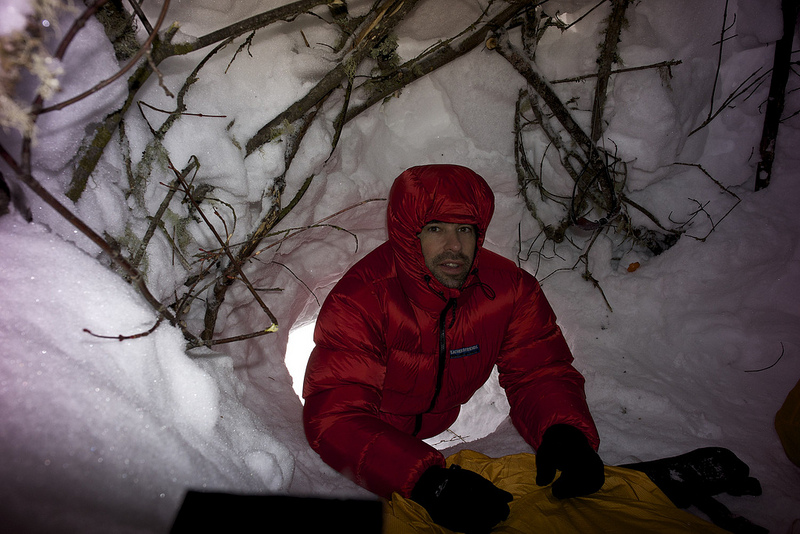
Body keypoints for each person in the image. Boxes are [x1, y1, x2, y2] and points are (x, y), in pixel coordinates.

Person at [302, 164, 605, 533]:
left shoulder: (510, 290)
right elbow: (336, 415)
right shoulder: (362, 299)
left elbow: (539, 369)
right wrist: (429, 483)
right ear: (407, 234)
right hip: (375, 427)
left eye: (465, 229)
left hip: (441, 419)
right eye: (435, 229)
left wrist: (564, 430)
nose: (454, 246)